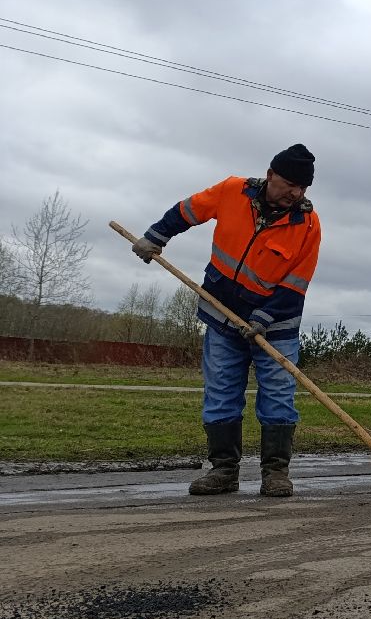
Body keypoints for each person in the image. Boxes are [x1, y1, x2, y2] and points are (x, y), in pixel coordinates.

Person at [132, 145, 321, 498]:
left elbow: (296, 284)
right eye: (288, 184)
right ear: (270, 175)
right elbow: (187, 211)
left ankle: (276, 473)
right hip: (223, 317)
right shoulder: (231, 191)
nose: (294, 193)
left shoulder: (307, 225)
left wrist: (264, 317)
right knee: (220, 393)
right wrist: (156, 237)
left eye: (302, 188)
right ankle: (223, 471)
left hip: (276, 326)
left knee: (278, 397)